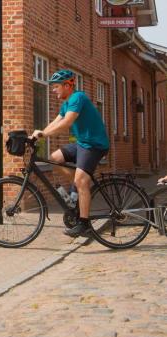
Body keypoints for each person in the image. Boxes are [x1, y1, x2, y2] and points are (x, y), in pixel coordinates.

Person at [32, 69, 110, 238]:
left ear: (68, 85)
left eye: (56, 86)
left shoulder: (77, 98)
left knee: (81, 181)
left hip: (95, 145)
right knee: (54, 159)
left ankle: (84, 224)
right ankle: (78, 190)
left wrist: (43, 134)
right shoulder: (66, 103)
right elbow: (56, 122)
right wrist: (38, 136)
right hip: (82, 144)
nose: (53, 90)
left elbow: (66, 123)